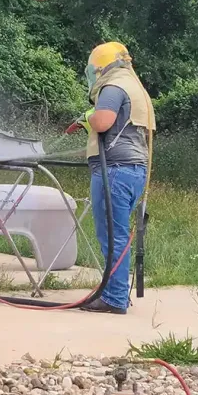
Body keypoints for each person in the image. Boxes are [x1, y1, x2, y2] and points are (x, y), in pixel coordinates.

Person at [66, 42, 156, 315]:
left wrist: (89, 117)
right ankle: (114, 292)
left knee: (112, 236)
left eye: (92, 71)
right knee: (117, 235)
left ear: (100, 67)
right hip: (134, 170)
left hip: (114, 170)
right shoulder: (135, 88)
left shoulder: (113, 86)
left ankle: (114, 298)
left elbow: (104, 121)